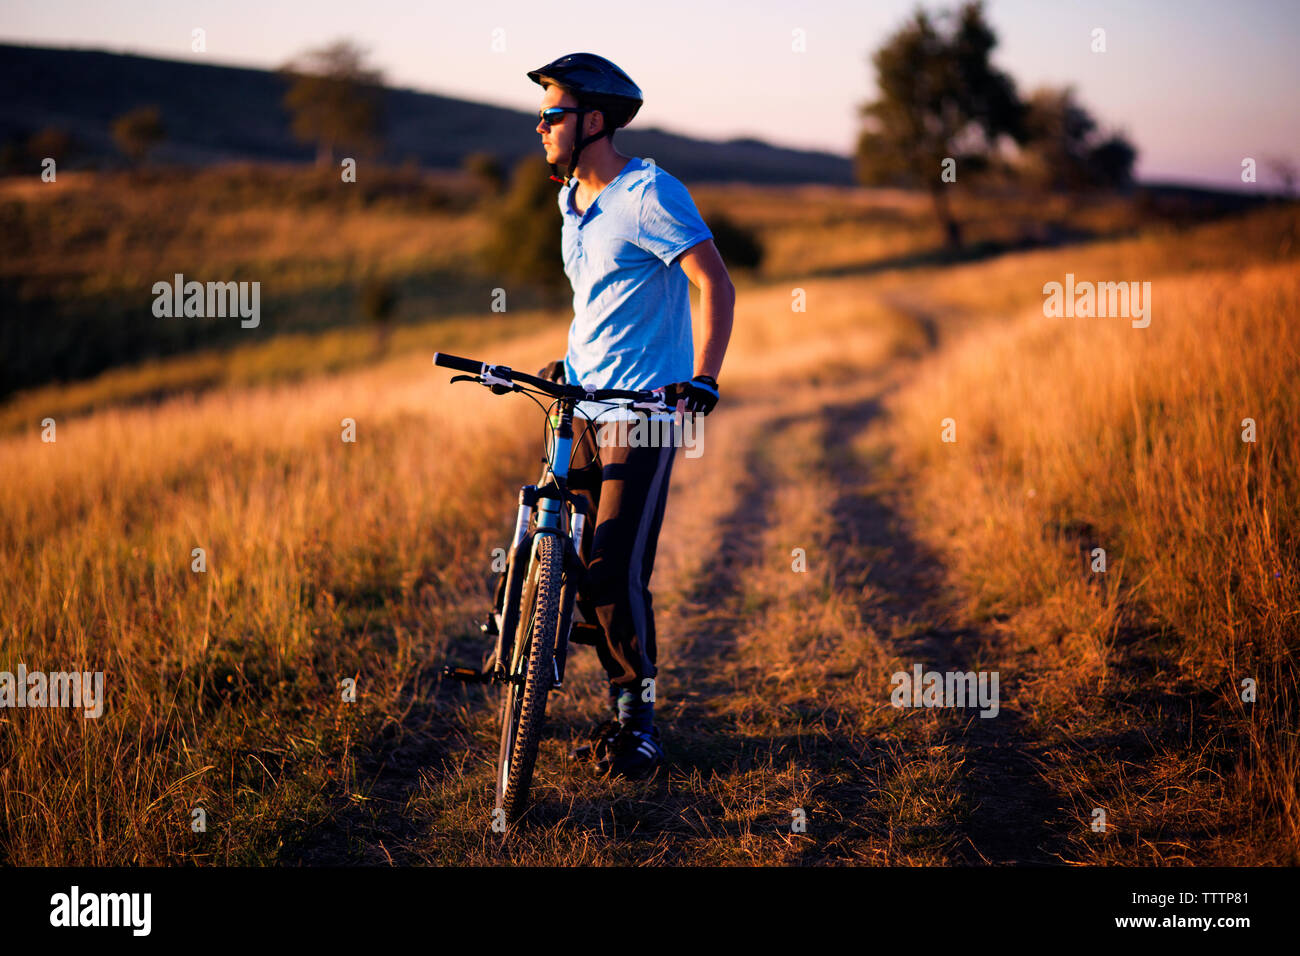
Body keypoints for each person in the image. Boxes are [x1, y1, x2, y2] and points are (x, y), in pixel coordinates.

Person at [527, 52, 735, 778]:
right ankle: (548, 680)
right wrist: (568, 364)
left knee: (615, 571)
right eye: (542, 114)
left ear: (592, 121)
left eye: (552, 114)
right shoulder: (569, 203)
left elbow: (714, 282)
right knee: (575, 564)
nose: (541, 126)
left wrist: (702, 379)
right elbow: (599, 303)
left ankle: (636, 719)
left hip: (644, 412)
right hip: (580, 404)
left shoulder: (650, 192)